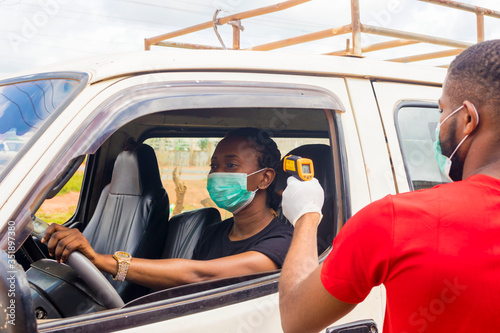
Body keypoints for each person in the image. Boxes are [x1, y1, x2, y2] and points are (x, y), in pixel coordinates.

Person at [278, 39, 500, 333]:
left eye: (442, 111)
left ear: (468, 118)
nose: (439, 124)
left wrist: (306, 214)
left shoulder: (395, 220)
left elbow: (296, 317)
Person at [42, 127, 293, 290]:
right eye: (214, 166)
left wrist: (102, 260)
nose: (217, 174)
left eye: (231, 166)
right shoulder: (214, 232)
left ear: (265, 178)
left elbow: (199, 275)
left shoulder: (281, 242)